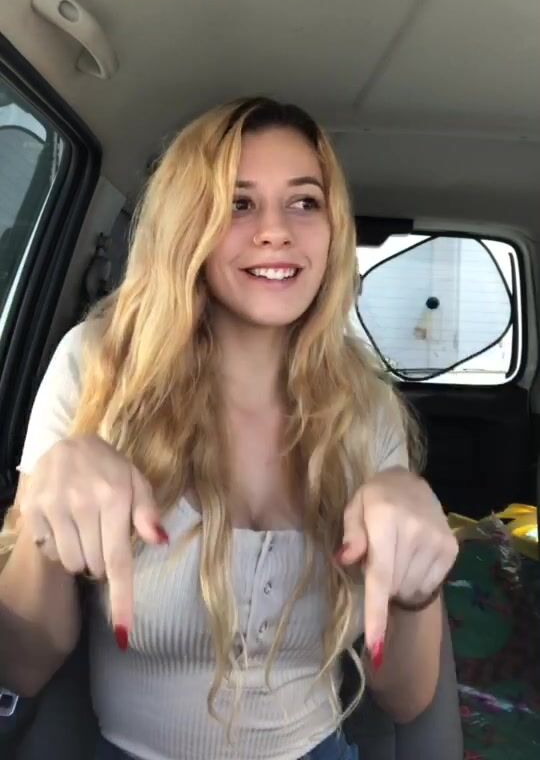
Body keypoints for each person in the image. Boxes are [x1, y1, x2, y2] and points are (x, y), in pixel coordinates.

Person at [0, 98, 458, 760]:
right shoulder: (95, 368)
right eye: (239, 204)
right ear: (189, 224)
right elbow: (20, 666)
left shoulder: (367, 409)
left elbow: (407, 700)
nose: (276, 231)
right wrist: (48, 522)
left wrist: (419, 585)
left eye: (304, 202)